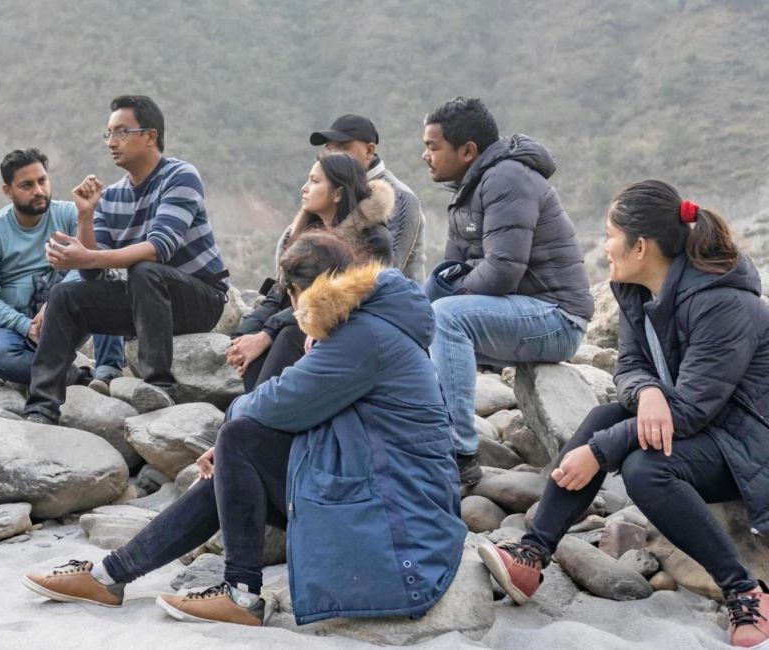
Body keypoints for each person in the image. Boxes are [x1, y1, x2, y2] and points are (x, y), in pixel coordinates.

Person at [23, 232, 466, 627]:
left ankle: (237, 593)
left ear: (300, 293)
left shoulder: (363, 336)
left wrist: (228, 432)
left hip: (402, 533)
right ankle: (110, 575)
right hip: (386, 491)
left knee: (239, 439)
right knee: (240, 450)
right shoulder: (371, 322)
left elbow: (281, 400)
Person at [478, 180, 769, 648]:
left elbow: (693, 409)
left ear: (641, 245)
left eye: (610, 235)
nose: (605, 245)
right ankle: (530, 557)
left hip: (746, 443)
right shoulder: (633, 289)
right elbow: (629, 367)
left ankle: (744, 591)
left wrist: (599, 452)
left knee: (643, 468)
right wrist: (649, 392)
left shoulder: (724, 303)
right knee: (602, 418)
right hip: (695, 425)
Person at [23, 95, 228, 424]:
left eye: (121, 132)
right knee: (65, 295)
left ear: (150, 136)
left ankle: (158, 385)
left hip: (199, 298)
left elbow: (160, 246)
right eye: (108, 134)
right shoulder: (112, 196)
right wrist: (86, 217)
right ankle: (41, 407)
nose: (111, 142)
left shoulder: (180, 176)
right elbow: (94, 273)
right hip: (143, 300)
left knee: (145, 269)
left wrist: (85, 256)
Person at [421, 97, 594, 486]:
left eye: (433, 147)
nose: (425, 156)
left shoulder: (507, 178)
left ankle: (460, 454)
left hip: (557, 317)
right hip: (519, 311)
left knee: (444, 316)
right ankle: (418, 437)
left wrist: (444, 303)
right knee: (420, 315)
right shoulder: (466, 191)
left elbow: (502, 271)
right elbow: (453, 271)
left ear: (467, 151)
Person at [227, 152, 393, 392]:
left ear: (338, 193)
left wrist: (268, 332)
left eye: (315, 182)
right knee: (252, 343)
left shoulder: (373, 239)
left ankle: (258, 416)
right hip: (299, 319)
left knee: (287, 335)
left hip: (349, 331)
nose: (305, 188)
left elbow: (340, 302)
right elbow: (281, 289)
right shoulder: (308, 230)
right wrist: (244, 334)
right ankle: (261, 414)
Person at [0, 148, 126, 389]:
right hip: (23, 329)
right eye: (27, 185)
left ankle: (108, 373)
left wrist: (55, 301)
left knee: (105, 279)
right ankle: (75, 377)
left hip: (72, 315)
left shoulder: (70, 214)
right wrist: (26, 326)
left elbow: (95, 260)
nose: (39, 191)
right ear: (7, 190)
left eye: (42, 181)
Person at [310, 113, 427, 281]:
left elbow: (388, 275)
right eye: (329, 149)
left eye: (342, 148)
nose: (333, 156)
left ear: (369, 151)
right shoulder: (329, 190)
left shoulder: (399, 197)